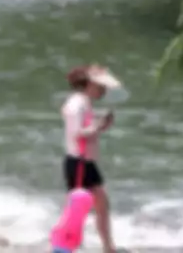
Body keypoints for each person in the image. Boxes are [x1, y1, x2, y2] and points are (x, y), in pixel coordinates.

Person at [61, 65, 120, 253]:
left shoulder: (84, 102)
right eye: (100, 86)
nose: (104, 90)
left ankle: (107, 247)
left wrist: (101, 126)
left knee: (100, 204)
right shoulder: (75, 105)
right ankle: (65, 246)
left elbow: (87, 131)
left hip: (86, 162)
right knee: (79, 207)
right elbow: (77, 133)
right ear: (89, 85)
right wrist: (98, 125)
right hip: (79, 163)